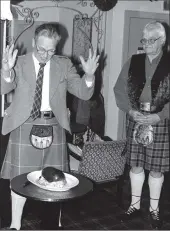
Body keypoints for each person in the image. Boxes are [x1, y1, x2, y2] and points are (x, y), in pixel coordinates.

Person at [0, 23, 99, 230]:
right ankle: (15, 224)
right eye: (41, 49)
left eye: (51, 50)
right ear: (34, 42)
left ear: (57, 46)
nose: (46, 55)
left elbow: (83, 92)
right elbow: (5, 87)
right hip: (24, 124)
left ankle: (52, 223)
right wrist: (7, 70)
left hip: (53, 125)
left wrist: (89, 76)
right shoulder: (19, 62)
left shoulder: (64, 65)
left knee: (55, 180)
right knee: (19, 179)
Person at [114, 21, 169, 229]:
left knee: (156, 168)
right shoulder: (133, 61)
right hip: (136, 118)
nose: (146, 44)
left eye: (151, 40)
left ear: (162, 41)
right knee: (136, 164)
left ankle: (154, 211)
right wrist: (130, 110)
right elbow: (119, 90)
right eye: (144, 40)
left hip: (161, 120)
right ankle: (134, 205)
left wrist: (161, 115)